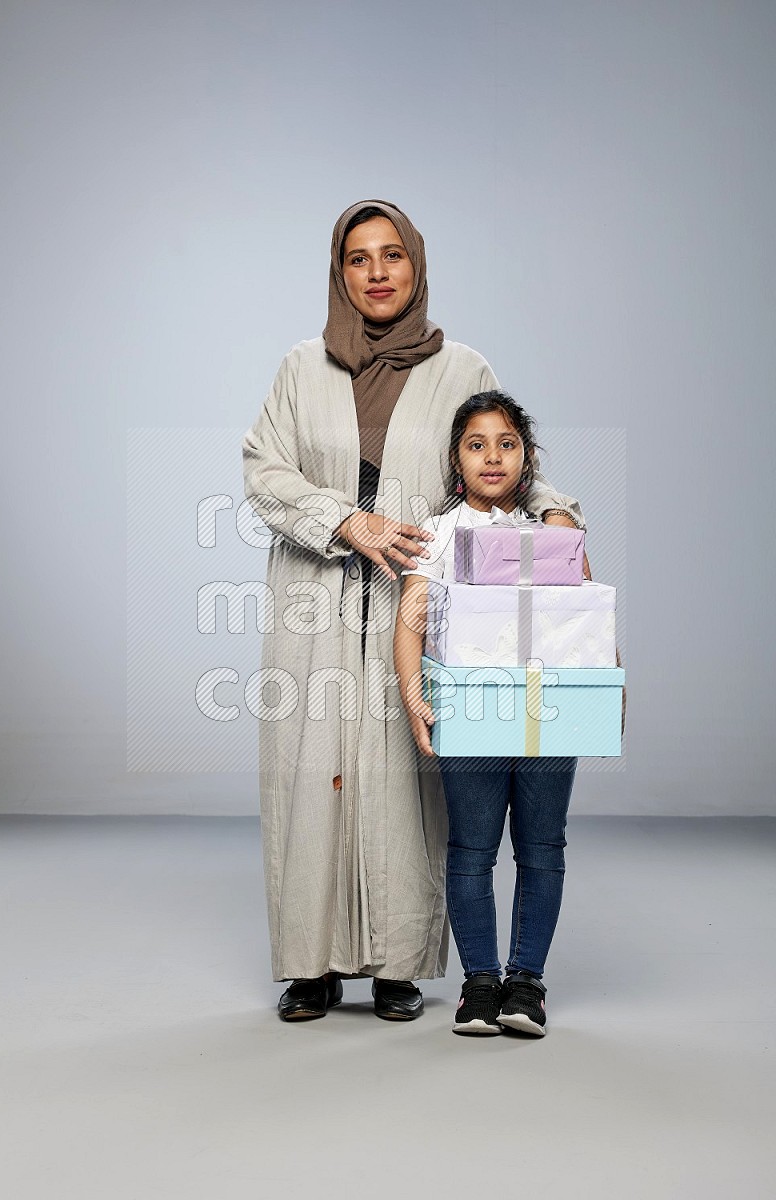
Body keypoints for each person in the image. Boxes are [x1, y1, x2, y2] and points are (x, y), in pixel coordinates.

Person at [242, 200, 585, 1022]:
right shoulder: (302, 366)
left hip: (422, 598)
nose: (377, 272)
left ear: (416, 265)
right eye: (358, 259)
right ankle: (311, 967)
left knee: (406, 782)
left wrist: (560, 509)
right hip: (316, 598)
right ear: (341, 274)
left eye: (392, 255)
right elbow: (264, 469)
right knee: (311, 776)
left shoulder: (461, 365)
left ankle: (398, 965)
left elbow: (500, 456)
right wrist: (343, 519)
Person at [394, 389, 617, 1036]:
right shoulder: (437, 533)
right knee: (471, 848)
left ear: (527, 456)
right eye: (476, 444)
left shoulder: (554, 528)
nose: (493, 457)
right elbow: (411, 621)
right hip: (473, 713)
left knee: (543, 846)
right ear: (456, 460)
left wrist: (610, 685)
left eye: (507, 443)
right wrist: (415, 694)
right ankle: (479, 986)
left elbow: (587, 611)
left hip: (550, 710)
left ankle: (527, 984)